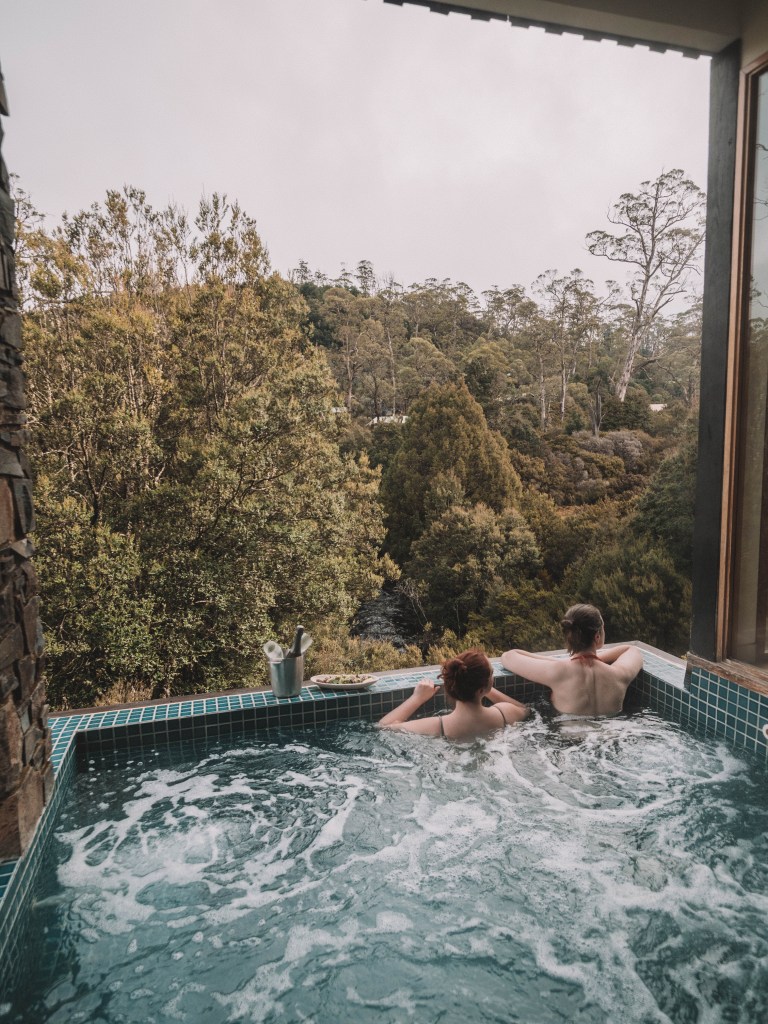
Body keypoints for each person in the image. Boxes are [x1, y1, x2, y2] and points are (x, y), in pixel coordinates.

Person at [501, 603, 643, 717]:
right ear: (597, 636)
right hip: (612, 739)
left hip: (571, 744)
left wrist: (566, 661)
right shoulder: (620, 674)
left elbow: (508, 656)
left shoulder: (558, 671)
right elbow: (632, 650)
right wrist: (593, 659)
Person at [379, 648, 529, 740]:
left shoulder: (437, 727)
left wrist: (417, 698)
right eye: (491, 674)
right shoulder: (504, 713)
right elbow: (524, 710)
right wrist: (485, 687)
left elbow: (383, 727)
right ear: (483, 688)